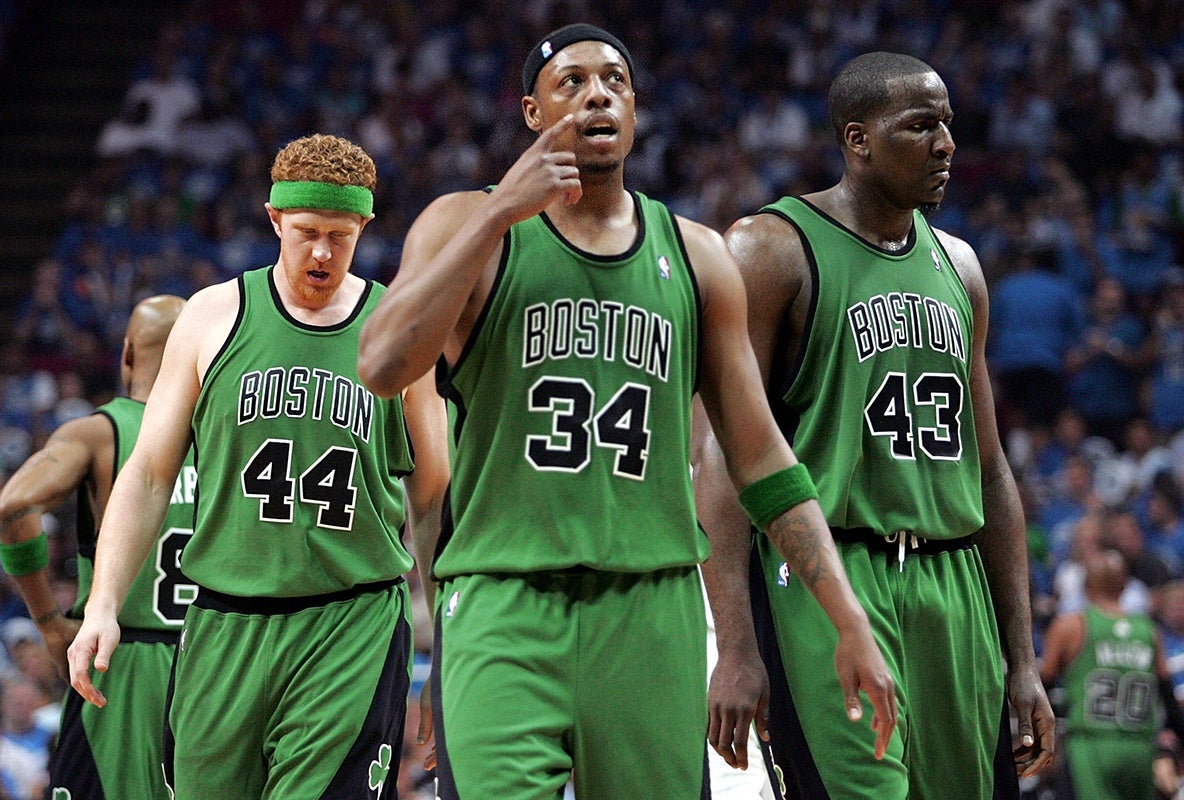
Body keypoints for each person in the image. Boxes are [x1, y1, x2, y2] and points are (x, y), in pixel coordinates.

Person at [356, 23, 896, 800]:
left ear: (635, 111)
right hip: (503, 600)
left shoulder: (698, 255)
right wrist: (497, 212)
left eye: (614, 81)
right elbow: (381, 366)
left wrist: (848, 618)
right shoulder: (464, 223)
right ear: (533, 113)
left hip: (653, 608)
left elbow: (762, 459)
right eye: (571, 82)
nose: (597, 95)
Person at [695, 51, 1055, 800]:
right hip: (830, 574)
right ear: (857, 140)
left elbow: (991, 471)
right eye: (920, 126)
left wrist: (1023, 659)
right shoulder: (769, 248)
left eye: (948, 124)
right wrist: (734, 644)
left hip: (955, 582)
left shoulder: (960, 267)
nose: (945, 144)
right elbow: (723, 455)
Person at [67, 133, 449, 800]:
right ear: (275, 220)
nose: (323, 252)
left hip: (350, 623)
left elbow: (433, 494)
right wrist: (102, 604)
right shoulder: (211, 317)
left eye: (340, 235)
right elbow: (149, 473)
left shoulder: (399, 329)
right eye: (307, 233)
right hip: (222, 619)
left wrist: (447, 641)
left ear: (364, 227)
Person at [0, 294, 188, 800]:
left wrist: (49, 623)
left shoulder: (101, 433)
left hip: (119, 668)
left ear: (127, 354)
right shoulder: (232, 438)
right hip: (216, 665)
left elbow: (13, 506)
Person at [1041, 549, 1184, 800]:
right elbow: (1168, 699)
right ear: (1124, 586)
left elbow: (1043, 686)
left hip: (1090, 745)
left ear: (1086, 585)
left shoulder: (1071, 626)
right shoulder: (1149, 631)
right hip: (1139, 747)